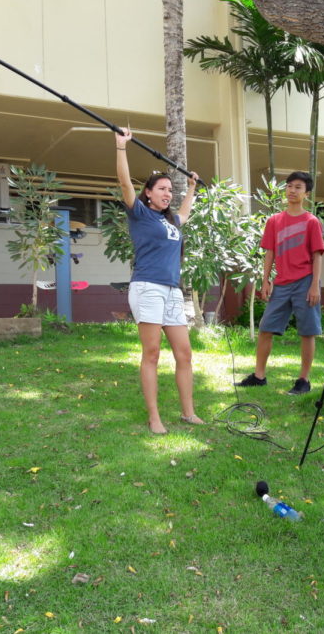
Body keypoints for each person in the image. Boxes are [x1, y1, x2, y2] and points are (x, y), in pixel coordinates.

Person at [115, 128, 204, 434]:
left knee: (184, 353)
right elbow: (125, 184)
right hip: (147, 288)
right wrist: (121, 148)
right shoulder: (139, 214)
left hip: (172, 292)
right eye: (162, 189)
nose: (167, 194)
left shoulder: (171, 221)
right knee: (151, 353)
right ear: (149, 193)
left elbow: (185, 213)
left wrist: (191, 187)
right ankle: (154, 417)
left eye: (170, 190)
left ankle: (188, 412)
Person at [236, 171, 324, 395]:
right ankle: (259, 376)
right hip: (281, 283)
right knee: (266, 329)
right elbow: (269, 253)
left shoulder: (312, 221)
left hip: (305, 281)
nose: (292, 191)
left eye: (298, 187)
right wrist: (265, 281)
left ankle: (303, 381)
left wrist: (315, 285)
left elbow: (317, 256)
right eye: (289, 186)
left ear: (306, 193)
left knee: (307, 332)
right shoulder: (274, 221)